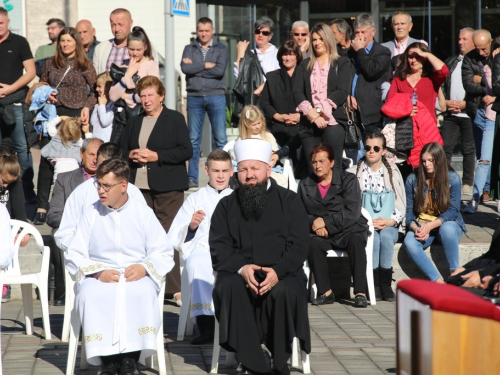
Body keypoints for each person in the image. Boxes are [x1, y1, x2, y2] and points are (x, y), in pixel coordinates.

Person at [210, 138, 310, 375]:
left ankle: (279, 360)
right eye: (244, 169)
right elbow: (219, 246)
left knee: (286, 290)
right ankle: (250, 361)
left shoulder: (290, 201)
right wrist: (241, 268)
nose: (249, 175)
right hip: (241, 273)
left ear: (268, 169)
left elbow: (299, 245)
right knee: (227, 286)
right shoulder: (226, 206)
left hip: (282, 272)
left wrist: (278, 272)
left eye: (255, 168)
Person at [65, 157, 174, 375]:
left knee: (141, 292)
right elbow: (74, 252)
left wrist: (144, 268)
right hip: (100, 275)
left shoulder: (142, 212)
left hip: (136, 274)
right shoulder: (91, 213)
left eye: (107, 185)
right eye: (99, 184)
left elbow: (163, 250)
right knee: (91, 294)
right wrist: (97, 272)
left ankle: (130, 360)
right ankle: (108, 361)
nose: (101, 191)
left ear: (123, 186)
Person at [120, 76, 192, 306]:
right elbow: (123, 149)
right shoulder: (134, 121)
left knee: (168, 235)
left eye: (151, 95)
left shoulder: (175, 119)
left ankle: (175, 288)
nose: (147, 100)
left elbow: (185, 151)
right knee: (143, 237)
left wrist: (156, 156)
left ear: (162, 96)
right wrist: (131, 154)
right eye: (143, 96)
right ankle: (147, 283)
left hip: (168, 186)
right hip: (139, 187)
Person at [169, 150, 233, 345]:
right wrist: (191, 226)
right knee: (197, 262)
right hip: (204, 249)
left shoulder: (239, 197)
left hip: (233, 251)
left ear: (232, 171)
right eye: (215, 170)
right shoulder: (195, 199)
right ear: (206, 170)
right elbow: (174, 234)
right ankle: (206, 326)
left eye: (224, 170)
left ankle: (233, 322)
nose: (220, 176)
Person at [35, 27, 97, 225]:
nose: (65, 44)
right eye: (62, 41)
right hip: (53, 114)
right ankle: (42, 206)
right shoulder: (50, 63)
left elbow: (95, 91)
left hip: (75, 117)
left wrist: (87, 107)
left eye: (69, 40)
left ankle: (72, 202)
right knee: (47, 160)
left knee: (75, 161)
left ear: (76, 43)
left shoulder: (85, 64)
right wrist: (46, 93)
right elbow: (41, 84)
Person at [299, 143, 369, 308]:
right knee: (312, 244)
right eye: (314, 162)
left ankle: (360, 293)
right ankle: (326, 292)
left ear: (331, 162)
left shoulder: (348, 180)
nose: (317, 166)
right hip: (320, 233)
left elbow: (352, 211)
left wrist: (326, 222)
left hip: (348, 229)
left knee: (356, 240)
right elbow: (299, 213)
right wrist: (314, 224)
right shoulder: (305, 184)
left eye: (322, 161)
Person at [55, 142, 146, 254]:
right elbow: (64, 234)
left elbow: (148, 234)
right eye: (102, 165)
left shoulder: (133, 193)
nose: (105, 171)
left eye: (111, 167)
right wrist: (84, 249)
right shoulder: (81, 192)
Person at [347, 132, 405, 301]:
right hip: (364, 224)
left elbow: (400, 203)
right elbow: (350, 204)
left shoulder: (393, 172)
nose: (371, 151)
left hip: (389, 223)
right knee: (374, 239)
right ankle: (373, 285)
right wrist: (365, 221)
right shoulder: (353, 173)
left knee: (386, 237)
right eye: (367, 148)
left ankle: (385, 285)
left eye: (376, 148)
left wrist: (391, 221)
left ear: (383, 150)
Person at [46, 137, 103, 306]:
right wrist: (78, 224)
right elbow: (53, 215)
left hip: (100, 230)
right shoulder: (65, 179)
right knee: (57, 235)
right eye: (91, 154)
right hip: (73, 230)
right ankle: (64, 290)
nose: (94, 159)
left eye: (98, 155)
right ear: (81, 153)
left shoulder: (109, 181)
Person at [403, 142, 466, 283]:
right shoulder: (412, 179)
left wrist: (430, 226)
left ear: (439, 159)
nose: (427, 164)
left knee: (447, 228)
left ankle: (454, 272)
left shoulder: (453, 178)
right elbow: (409, 214)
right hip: (423, 225)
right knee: (409, 241)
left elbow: (453, 211)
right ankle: (437, 281)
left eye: (431, 160)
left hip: (446, 225)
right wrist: (416, 228)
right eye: (424, 161)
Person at [294, 23, 352, 174]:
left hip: (333, 120)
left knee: (333, 168)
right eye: (314, 39)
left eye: (321, 38)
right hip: (309, 123)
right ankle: (315, 198)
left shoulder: (342, 62)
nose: (317, 42)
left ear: (328, 39)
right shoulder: (305, 65)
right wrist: (311, 113)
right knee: (313, 168)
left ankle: (335, 198)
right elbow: (297, 92)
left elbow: (342, 91)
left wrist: (319, 111)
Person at [180, 17, 229, 189]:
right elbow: (185, 69)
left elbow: (219, 71)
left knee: (221, 139)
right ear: (197, 31)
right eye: (201, 30)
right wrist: (206, 64)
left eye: (207, 30)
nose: (204, 33)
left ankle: (224, 176)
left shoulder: (221, 48)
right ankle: (192, 177)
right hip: (194, 96)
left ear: (213, 30)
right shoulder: (189, 48)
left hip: (216, 95)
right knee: (193, 139)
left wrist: (196, 68)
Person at [0, 7, 36, 201]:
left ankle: (26, 190)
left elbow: (30, 72)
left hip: (15, 102)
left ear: (8, 23)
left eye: (1, 23)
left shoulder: (20, 42)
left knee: (22, 147)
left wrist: (10, 89)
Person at [463, 32, 497, 214]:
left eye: (484, 48)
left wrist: (491, 91)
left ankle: (482, 197)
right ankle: (478, 196)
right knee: (482, 158)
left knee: (486, 159)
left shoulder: (494, 60)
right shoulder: (471, 59)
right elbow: (468, 84)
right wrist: (485, 83)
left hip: (493, 114)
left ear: (491, 43)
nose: (481, 52)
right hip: (480, 111)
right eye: (477, 48)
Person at [440, 28, 476, 196]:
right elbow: (441, 84)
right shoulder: (452, 61)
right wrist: (445, 102)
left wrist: (465, 104)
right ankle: (447, 180)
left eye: (464, 39)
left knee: (468, 149)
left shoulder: (478, 62)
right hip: (451, 114)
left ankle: (467, 183)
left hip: (469, 113)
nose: (460, 41)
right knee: (444, 148)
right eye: (459, 38)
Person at [350, 13, 391, 134]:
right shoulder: (350, 53)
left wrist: (361, 51)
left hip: (373, 116)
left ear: (373, 32)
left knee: (371, 151)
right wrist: (347, 96)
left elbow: (371, 71)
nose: (360, 36)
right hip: (352, 114)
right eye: (357, 32)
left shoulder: (383, 52)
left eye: (363, 32)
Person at [231, 105, 288, 188]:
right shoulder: (242, 139)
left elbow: (273, 156)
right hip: (247, 169)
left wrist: (268, 165)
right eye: (254, 125)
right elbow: (237, 156)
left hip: (266, 169)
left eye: (259, 123)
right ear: (246, 124)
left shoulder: (267, 137)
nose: (257, 126)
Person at [260, 40, 302, 149]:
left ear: (297, 56)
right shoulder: (272, 77)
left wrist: (300, 117)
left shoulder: (306, 76)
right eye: (285, 54)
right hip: (277, 129)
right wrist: (277, 116)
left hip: (301, 128)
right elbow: (264, 103)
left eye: (291, 54)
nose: (288, 58)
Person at [234, 16, 280, 90]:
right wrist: (240, 53)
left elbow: (278, 79)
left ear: (270, 36)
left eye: (265, 33)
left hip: (270, 96)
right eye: (257, 32)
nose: (260, 35)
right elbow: (239, 78)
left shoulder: (277, 54)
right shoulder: (249, 54)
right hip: (253, 97)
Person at [41, 117, 83, 182]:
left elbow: (50, 125)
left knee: (58, 190)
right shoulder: (79, 141)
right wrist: (87, 133)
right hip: (75, 171)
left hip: (59, 173)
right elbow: (88, 145)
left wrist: (60, 118)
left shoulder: (57, 137)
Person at [93, 8, 133, 74]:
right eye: (113, 25)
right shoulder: (100, 49)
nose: (116, 29)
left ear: (130, 23)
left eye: (121, 24)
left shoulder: (143, 47)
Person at [89, 72, 115, 142]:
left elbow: (105, 121)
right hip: (96, 140)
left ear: (108, 87)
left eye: (99, 86)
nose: (97, 89)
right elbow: (93, 122)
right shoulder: (100, 104)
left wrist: (102, 105)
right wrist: (99, 105)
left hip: (105, 142)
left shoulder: (113, 105)